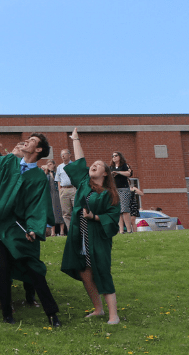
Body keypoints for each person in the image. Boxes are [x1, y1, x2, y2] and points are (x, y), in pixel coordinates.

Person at [0, 133, 61, 327]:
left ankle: (52, 313)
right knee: (1, 270)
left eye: (32, 141)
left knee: (35, 271)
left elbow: (38, 206)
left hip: (20, 230)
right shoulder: (9, 162)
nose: (26, 141)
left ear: (39, 150)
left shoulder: (38, 177)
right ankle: (7, 314)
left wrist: (34, 228)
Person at [61, 128, 121, 324]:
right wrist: (76, 139)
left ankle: (114, 315)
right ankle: (98, 310)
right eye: (92, 165)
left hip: (97, 238)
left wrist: (94, 216)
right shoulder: (85, 184)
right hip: (81, 237)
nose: (93, 166)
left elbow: (112, 218)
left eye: (98, 165)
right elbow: (79, 162)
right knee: (85, 274)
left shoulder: (109, 194)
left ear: (105, 173)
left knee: (102, 272)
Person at [109, 152, 134, 234]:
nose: (114, 157)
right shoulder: (111, 167)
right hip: (115, 190)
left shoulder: (124, 165)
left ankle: (129, 230)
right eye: (113, 156)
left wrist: (118, 172)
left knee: (125, 210)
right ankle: (121, 230)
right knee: (118, 210)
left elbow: (129, 173)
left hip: (124, 189)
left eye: (116, 155)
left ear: (120, 157)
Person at [56, 149, 76, 234]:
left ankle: (79, 230)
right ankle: (71, 231)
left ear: (70, 155)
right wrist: (60, 191)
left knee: (77, 210)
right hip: (64, 190)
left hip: (73, 189)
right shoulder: (59, 167)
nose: (63, 156)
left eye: (64, 154)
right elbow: (58, 180)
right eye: (61, 155)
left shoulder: (75, 165)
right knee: (66, 213)